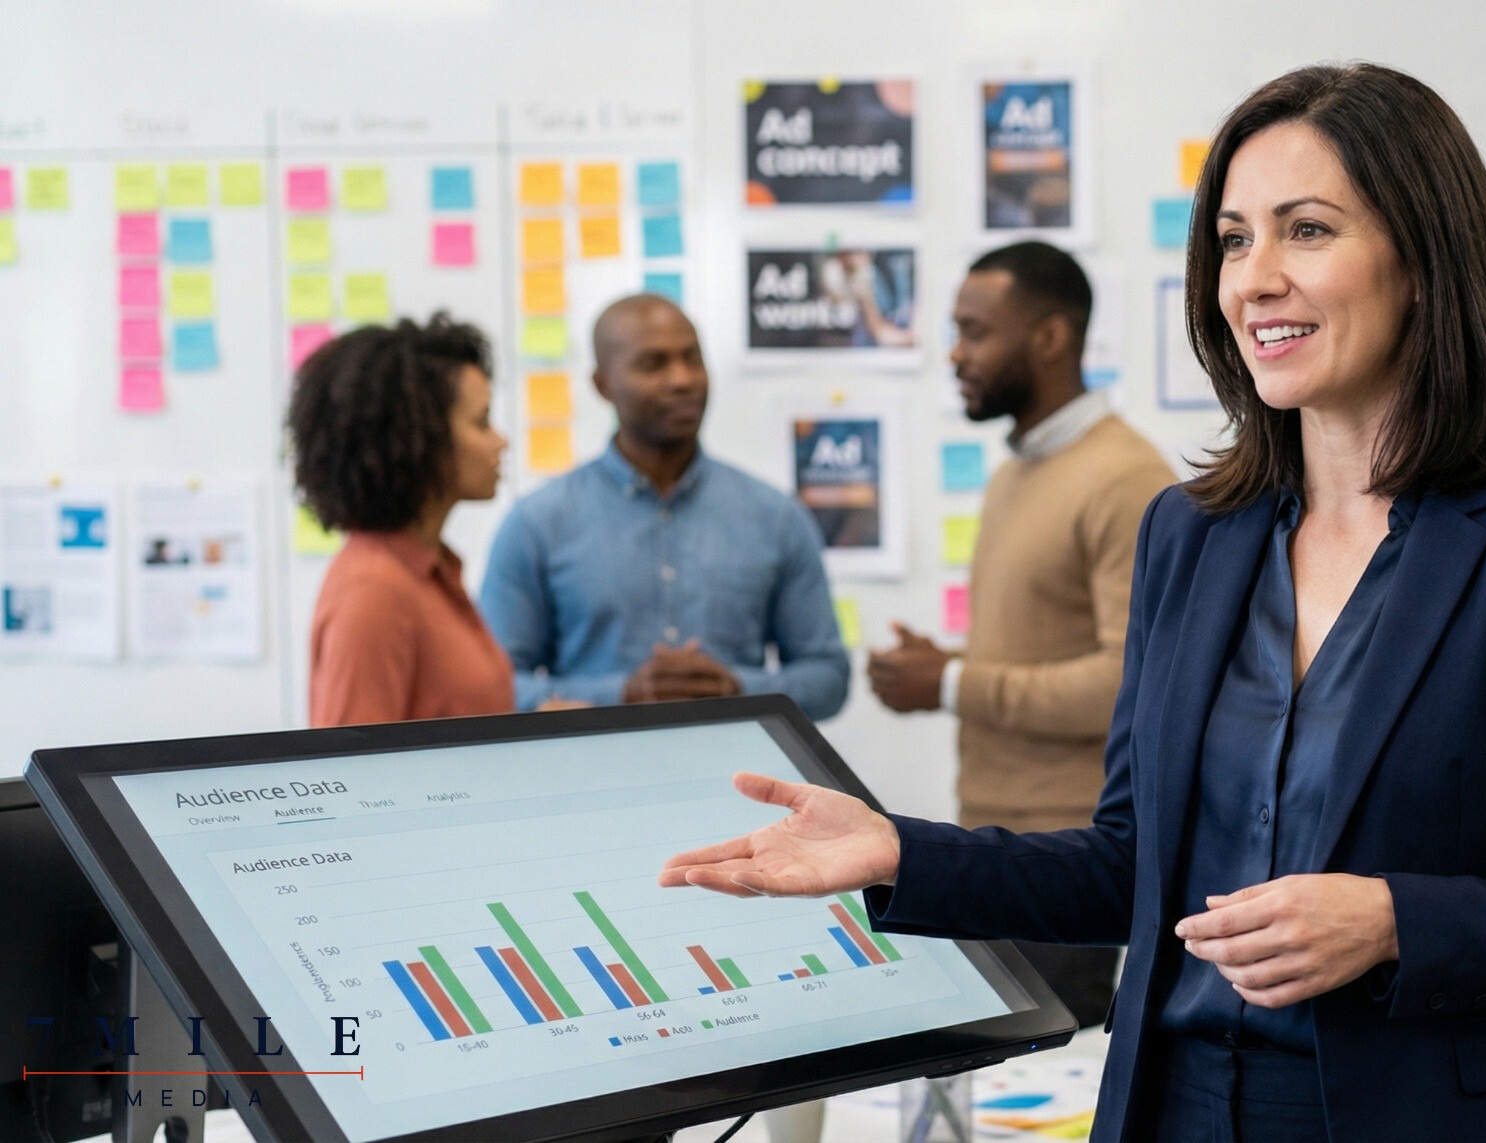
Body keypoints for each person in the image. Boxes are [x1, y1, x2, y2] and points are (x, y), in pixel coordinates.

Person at [657, 63, 1486, 1142]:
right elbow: (1129, 865)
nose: (1253, 278)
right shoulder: (1191, 536)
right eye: (1234, 240)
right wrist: (899, 853)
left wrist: (1396, 920)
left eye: (1305, 231)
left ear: (1423, 259)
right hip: (1179, 1108)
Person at [867, 240, 1174, 1028]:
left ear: (1049, 338)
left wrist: (948, 682)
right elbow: (1044, 654)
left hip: (1067, 864)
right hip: (996, 849)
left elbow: (1124, 684)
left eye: (976, 331)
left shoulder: (1126, 480)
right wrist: (945, 668)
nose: (956, 353)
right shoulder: (1015, 473)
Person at [479, 294, 849, 719]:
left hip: (740, 778)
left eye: (692, 359)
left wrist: (738, 689)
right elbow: (494, 683)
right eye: (653, 364)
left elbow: (829, 677)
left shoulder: (775, 515)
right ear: (602, 385)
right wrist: (622, 695)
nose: (682, 379)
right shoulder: (537, 523)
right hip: (592, 776)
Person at [290, 314, 515, 727]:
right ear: (422, 438)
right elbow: (352, 776)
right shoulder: (375, 592)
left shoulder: (429, 570)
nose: (502, 441)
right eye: (481, 422)